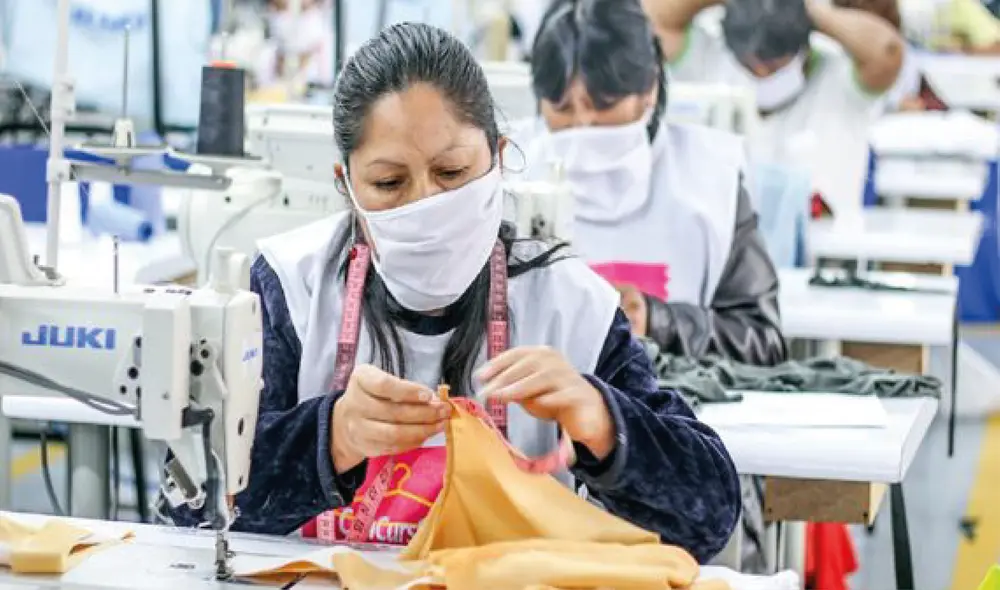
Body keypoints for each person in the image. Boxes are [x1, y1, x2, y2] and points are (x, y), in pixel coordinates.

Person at [166, 22, 741, 563]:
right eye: (389, 183)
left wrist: (601, 420)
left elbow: (710, 516)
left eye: (452, 173)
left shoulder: (567, 307)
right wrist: (332, 436)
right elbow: (188, 509)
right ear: (346, 184)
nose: (426, 205)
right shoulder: (292, 288)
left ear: (497, 155)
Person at [512, 0, 787, 366]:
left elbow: (762, 339)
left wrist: (658, 321)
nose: (584, 124)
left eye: (604, 103)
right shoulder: (504, 168)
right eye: (562, 108)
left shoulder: (709, 179)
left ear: (650, 89)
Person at [643, 0, 904, 216]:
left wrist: (806, 9)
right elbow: (649, 17)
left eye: (775, 65)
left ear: (803, 47)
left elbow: (888, 51)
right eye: (750, 65)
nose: (762, 73)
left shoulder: (840, 80)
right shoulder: (710, 61)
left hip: (826, 257)